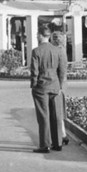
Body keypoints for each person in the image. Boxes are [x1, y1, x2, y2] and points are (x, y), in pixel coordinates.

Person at [30, 25, 67, 153]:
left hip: (41, 87)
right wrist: (60, 85)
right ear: (49, 36)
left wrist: (33, 85)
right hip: (55, 86)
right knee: (56, 115)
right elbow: (62, 70)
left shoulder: (36, 51)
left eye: (37, 35)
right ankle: (58, 143)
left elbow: (34, 72)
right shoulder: (57, 50)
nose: (36, 37)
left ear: (40, 35)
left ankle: (44, 145)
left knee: (43, 116)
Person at [51, 31, 69, 146]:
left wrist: (60, 86)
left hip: (58, 84)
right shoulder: (59, 49)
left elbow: (62, 70)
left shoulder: (60, 50)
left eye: (55, 38)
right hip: (59, 83)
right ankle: (62, 134)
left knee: (58, 111)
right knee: (58, 110)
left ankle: (62, 135)